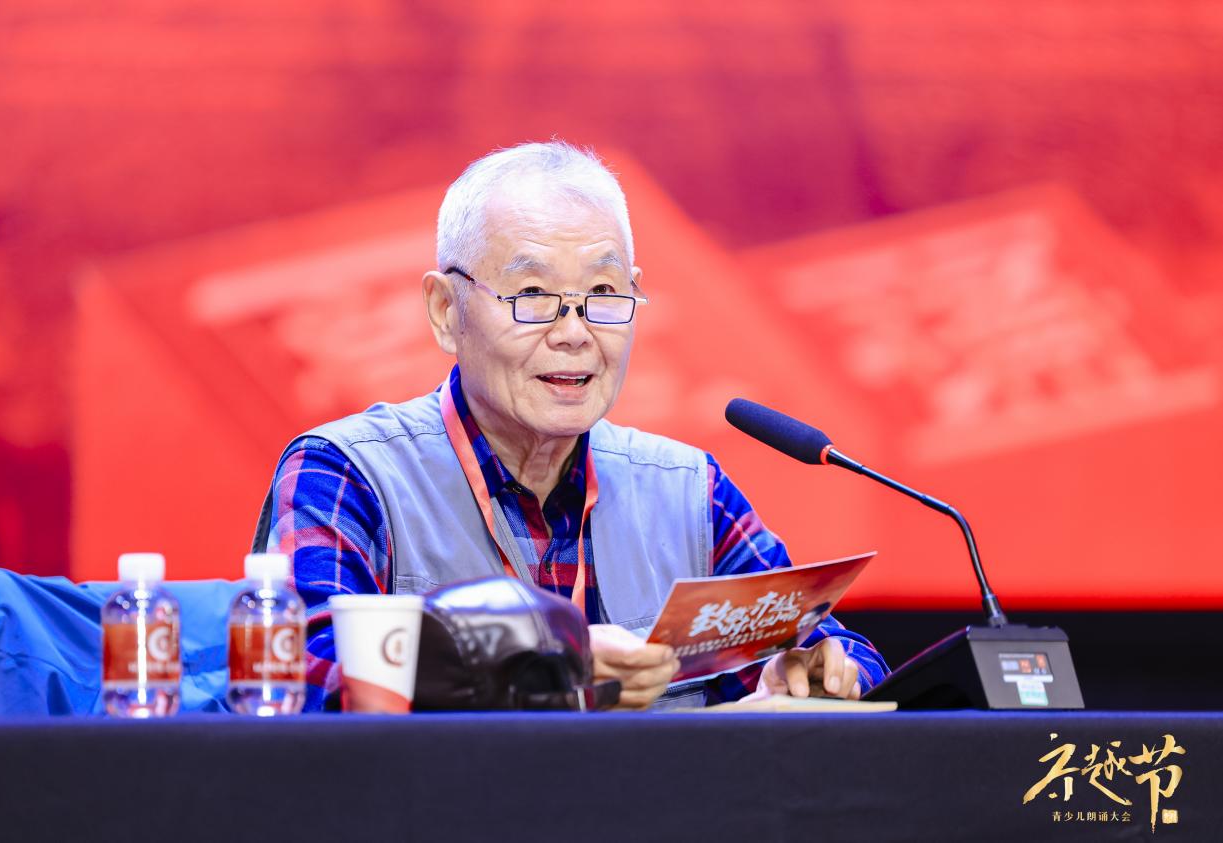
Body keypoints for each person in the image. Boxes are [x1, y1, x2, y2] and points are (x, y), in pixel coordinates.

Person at [253, 141, 888, 711]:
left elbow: (837, 650)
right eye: (532, 295)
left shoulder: (686, 489)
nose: (575, 333)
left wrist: (814, 673)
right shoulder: (350, 472)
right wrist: (537, 665)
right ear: (446, 311)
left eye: (604, 294)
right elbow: (303, 678)